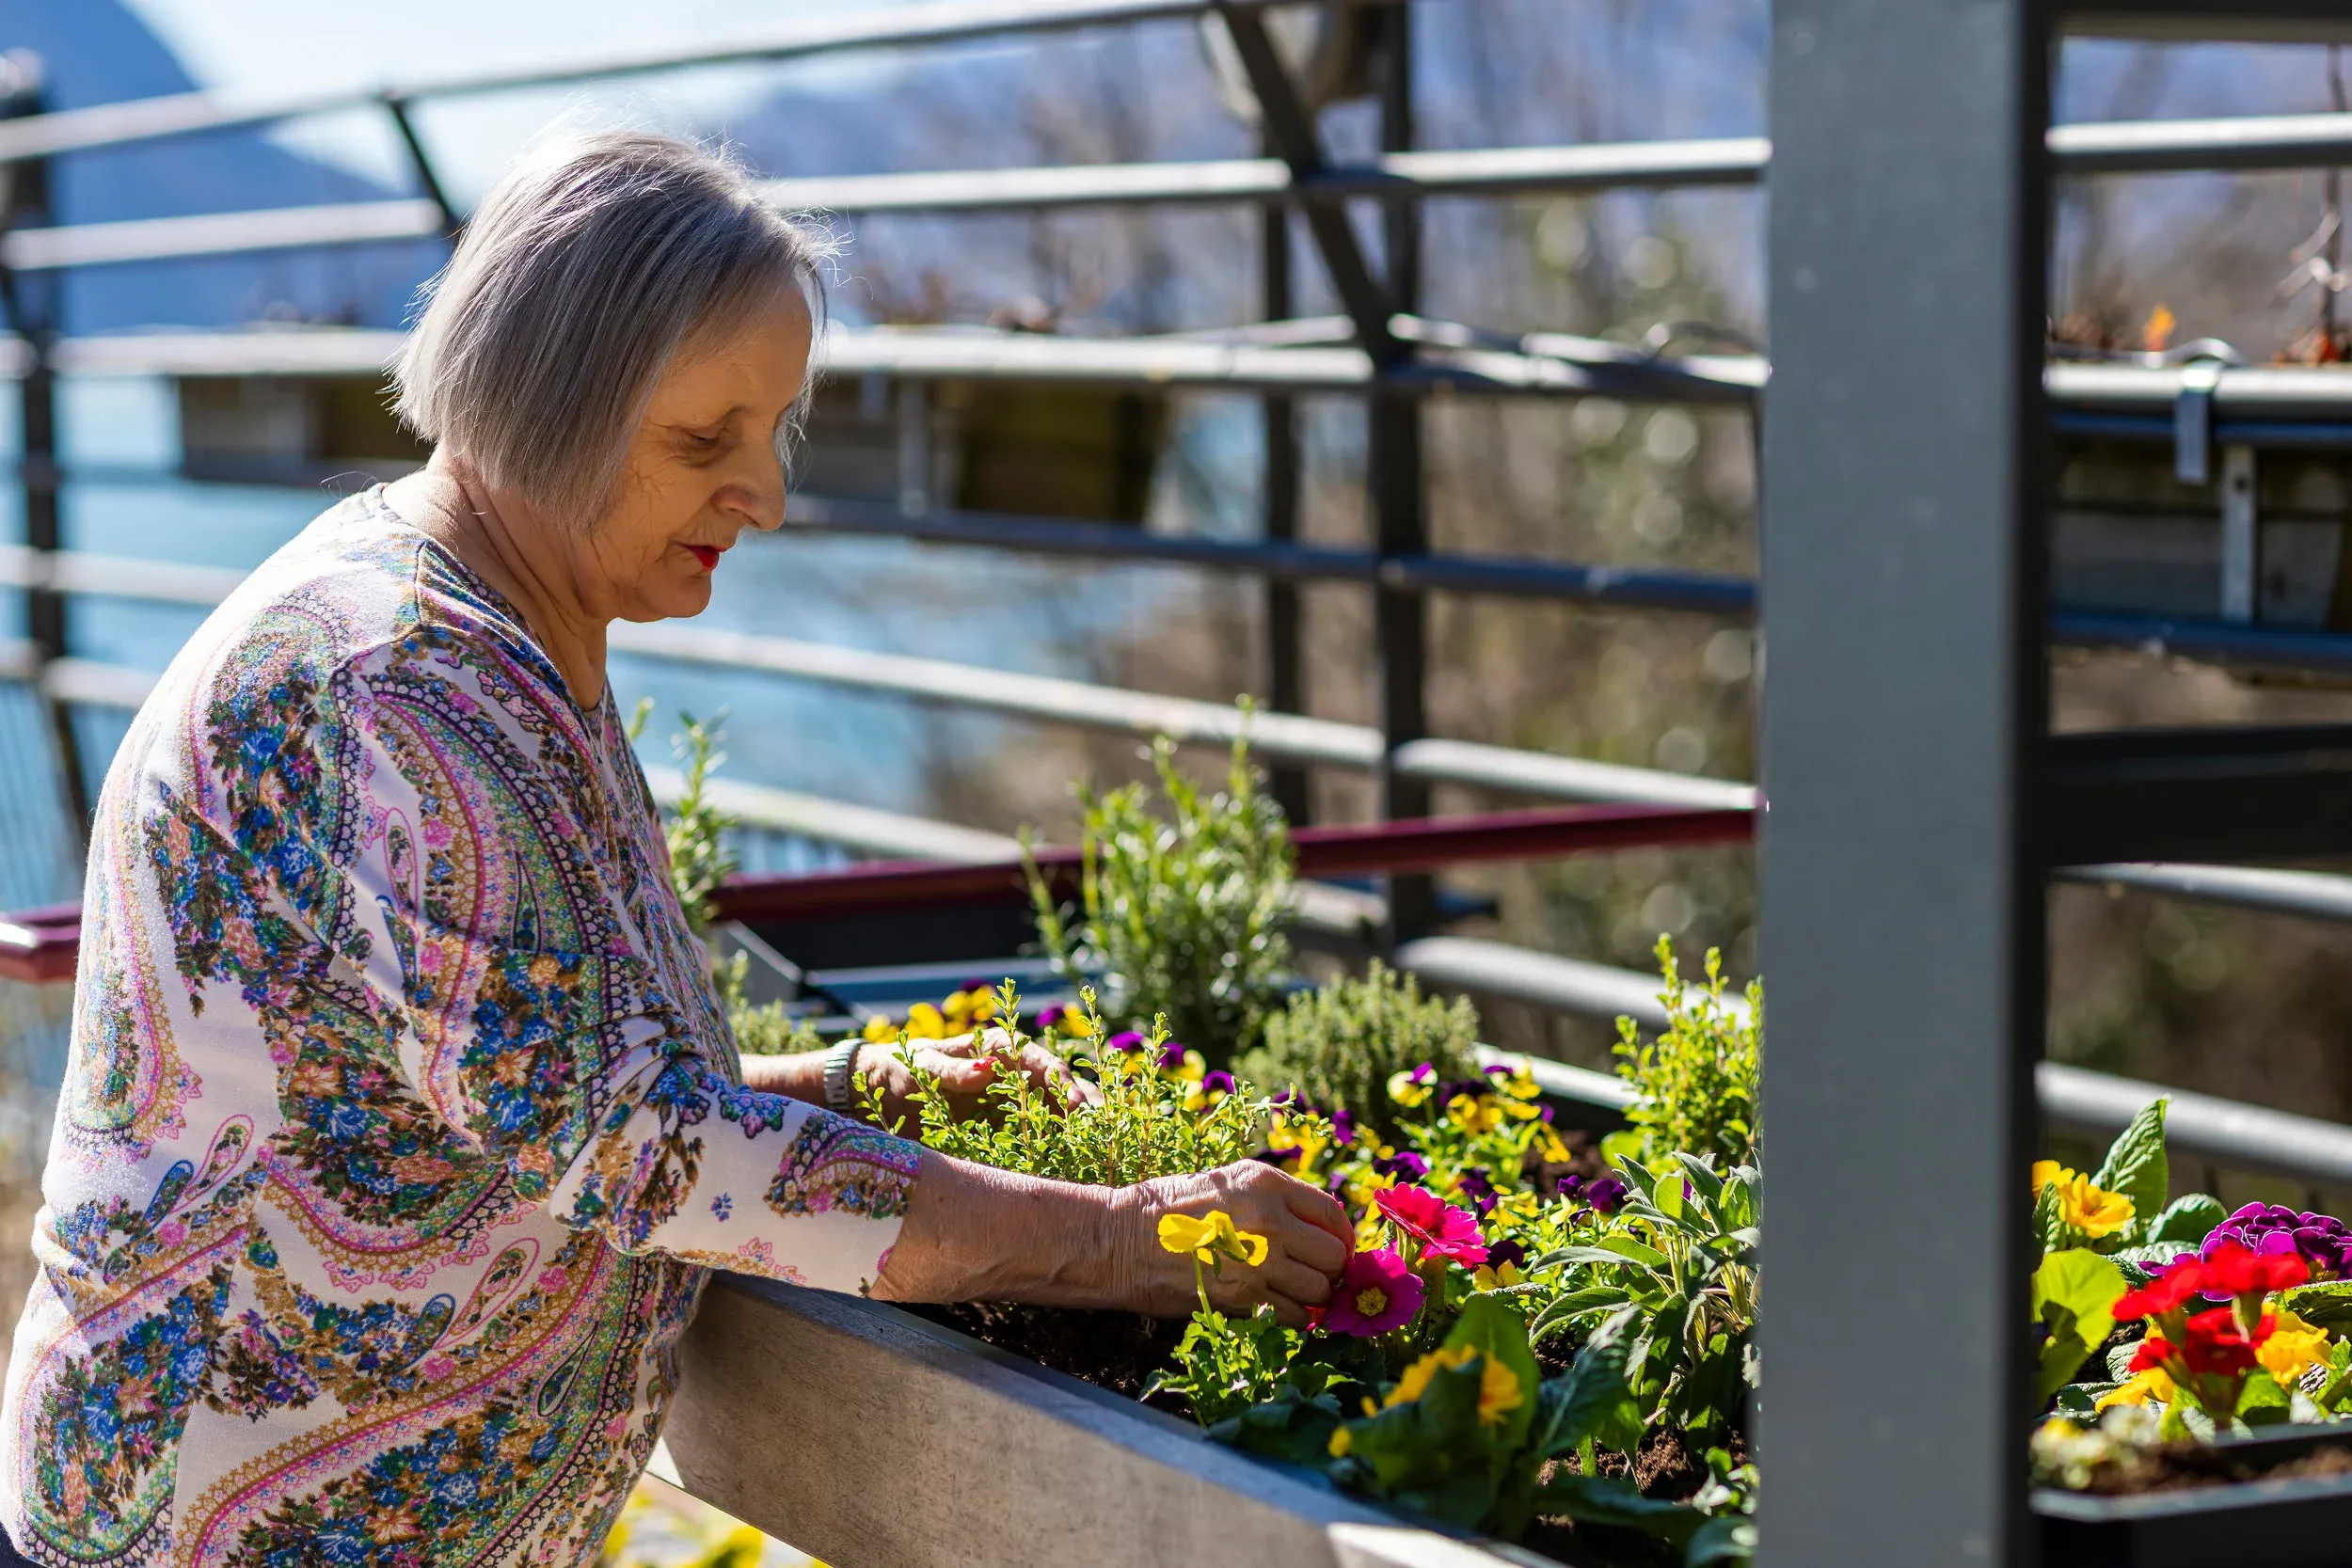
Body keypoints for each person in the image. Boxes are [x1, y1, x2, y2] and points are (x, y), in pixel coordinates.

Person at [0, 131, 1350, 1568]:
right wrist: (1125, 1239)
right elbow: (641, 1151)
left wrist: (844, 1083)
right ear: (545, 402)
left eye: (774, 431)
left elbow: (514, 1081)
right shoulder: (400, 684)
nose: (762, 493)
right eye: (704, 440)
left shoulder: (493, 636)